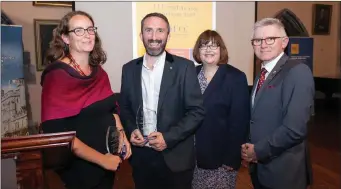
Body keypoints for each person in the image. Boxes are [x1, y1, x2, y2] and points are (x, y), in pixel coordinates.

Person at [40, 11, 131, 189]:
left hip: (108, 158)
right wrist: (102, 160)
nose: (87, 35)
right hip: (81, 167)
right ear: (66, 38)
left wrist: (122, 136)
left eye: (90, 29)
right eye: (79, 31)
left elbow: (111, 110)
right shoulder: (56, 76)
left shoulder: (99, 72)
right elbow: (58, 134)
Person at [119, 12, 205, 189]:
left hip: (175, 157)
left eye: (160, 31)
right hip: (142, 158)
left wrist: (168, 137)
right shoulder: (129, 69)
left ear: (168, 35)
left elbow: (196, 112)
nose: (154, 37)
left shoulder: (184, 67)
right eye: (148, 30)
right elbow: (125, 107)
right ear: (141, 35)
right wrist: (132, 129)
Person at [241, 18, 314, 189]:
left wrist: (258, 151)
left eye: (270, 39)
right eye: (257, 40)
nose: (263, 45)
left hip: (284, 172)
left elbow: (295, 129)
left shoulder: (298, 71)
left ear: (284, 42)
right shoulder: (263, 73)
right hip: (260, 168)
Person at [191, 30, 250, 189]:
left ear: (221, 50)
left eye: (214, 46)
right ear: (198, 51)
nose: (209, 50)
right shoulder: (190, 74)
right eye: (204, 46)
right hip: (191, 157)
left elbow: (240, 121)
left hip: (220, 159)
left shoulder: (236, 77)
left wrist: (232, 158)